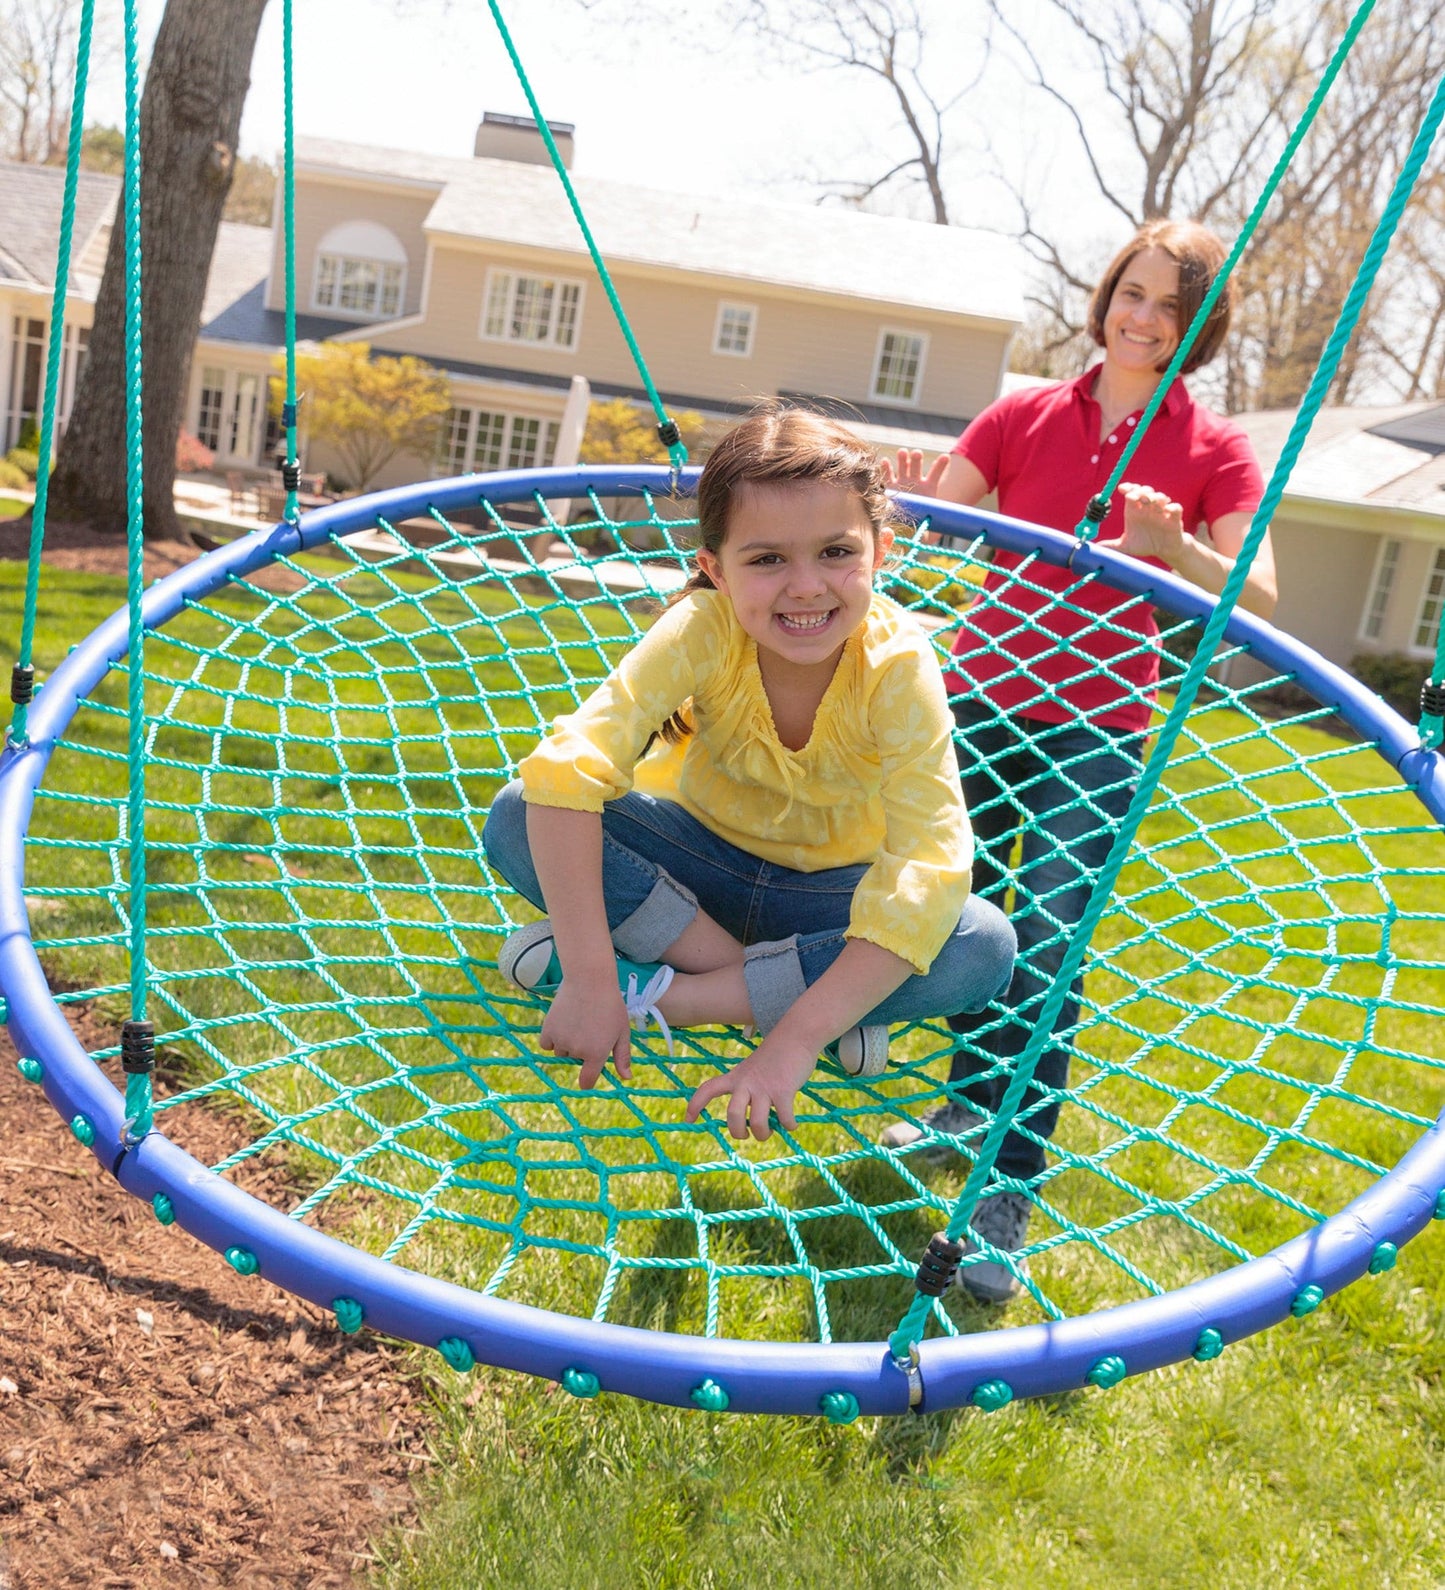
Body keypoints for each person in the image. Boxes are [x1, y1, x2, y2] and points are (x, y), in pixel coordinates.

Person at [880, 218, 1275, 1302]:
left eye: (1166, 306)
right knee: (960, 909)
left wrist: (1173, 549)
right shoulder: (1024, 411)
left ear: (1194, 328)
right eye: (1128, 293)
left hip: (1095, 729)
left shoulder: (1212, 449)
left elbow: (1257, 595)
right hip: (975, 700)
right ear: (1102, 299)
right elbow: (920, 523)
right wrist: (901, 498)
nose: (1140, 317)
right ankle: (966, 1096)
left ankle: (1007, 1187)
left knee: (1050, 938)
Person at [482, 406, 1017, 1144]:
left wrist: (791, 1043)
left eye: (835, 552)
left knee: (981, 945)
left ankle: (679, 998)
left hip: (831, 902)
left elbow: (928, 863)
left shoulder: (896, 663)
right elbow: (568, 775)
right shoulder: (702, 627)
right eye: (766, 560)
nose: (805, 587)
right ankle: (814, 1000)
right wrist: (590, 979)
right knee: (518, 812)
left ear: (881, 551)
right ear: (715, 570)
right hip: (697, 875)